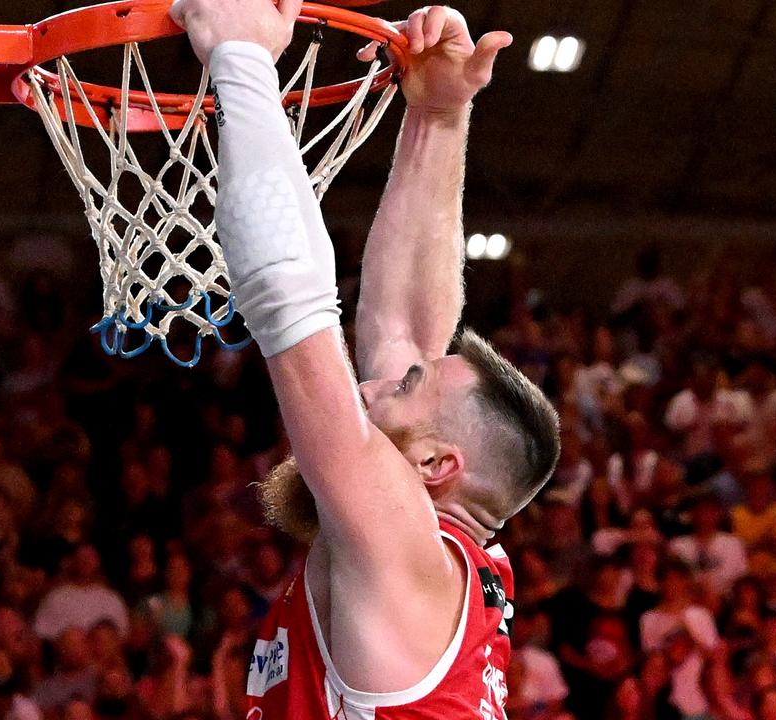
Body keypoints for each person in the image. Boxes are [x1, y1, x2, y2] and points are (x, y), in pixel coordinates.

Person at [167, 1, 559, 716]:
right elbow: (406, 326)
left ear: (438, 466)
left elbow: (293, 310)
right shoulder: (433, 560)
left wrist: (242, 59)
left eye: (406, 388)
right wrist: (440, 116)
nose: (373, 381)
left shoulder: (408, 556)